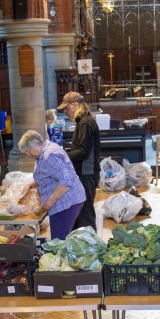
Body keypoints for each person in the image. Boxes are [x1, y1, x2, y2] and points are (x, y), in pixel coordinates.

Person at [18, 130, 85, 240]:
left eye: (28, 151)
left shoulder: (49, 155)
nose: (28, 155)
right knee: (60, 237)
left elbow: (66, 179)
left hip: (66, 202)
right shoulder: (43, 152)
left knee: (59, 240)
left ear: (36, 144)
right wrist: (31, 185)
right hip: (62, 201)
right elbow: (48, 174)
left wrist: (49, 203)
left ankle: (61, 257)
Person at [57, 91, 100, 231]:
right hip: (82, 173)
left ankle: (91, 248)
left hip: (86, 174)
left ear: (75, 105)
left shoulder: (86, 123)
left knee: (85, 215)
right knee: (79, 214)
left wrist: (63, 155)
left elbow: (83, 152)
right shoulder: (83, 122)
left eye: (66, 107)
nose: (65, 111)